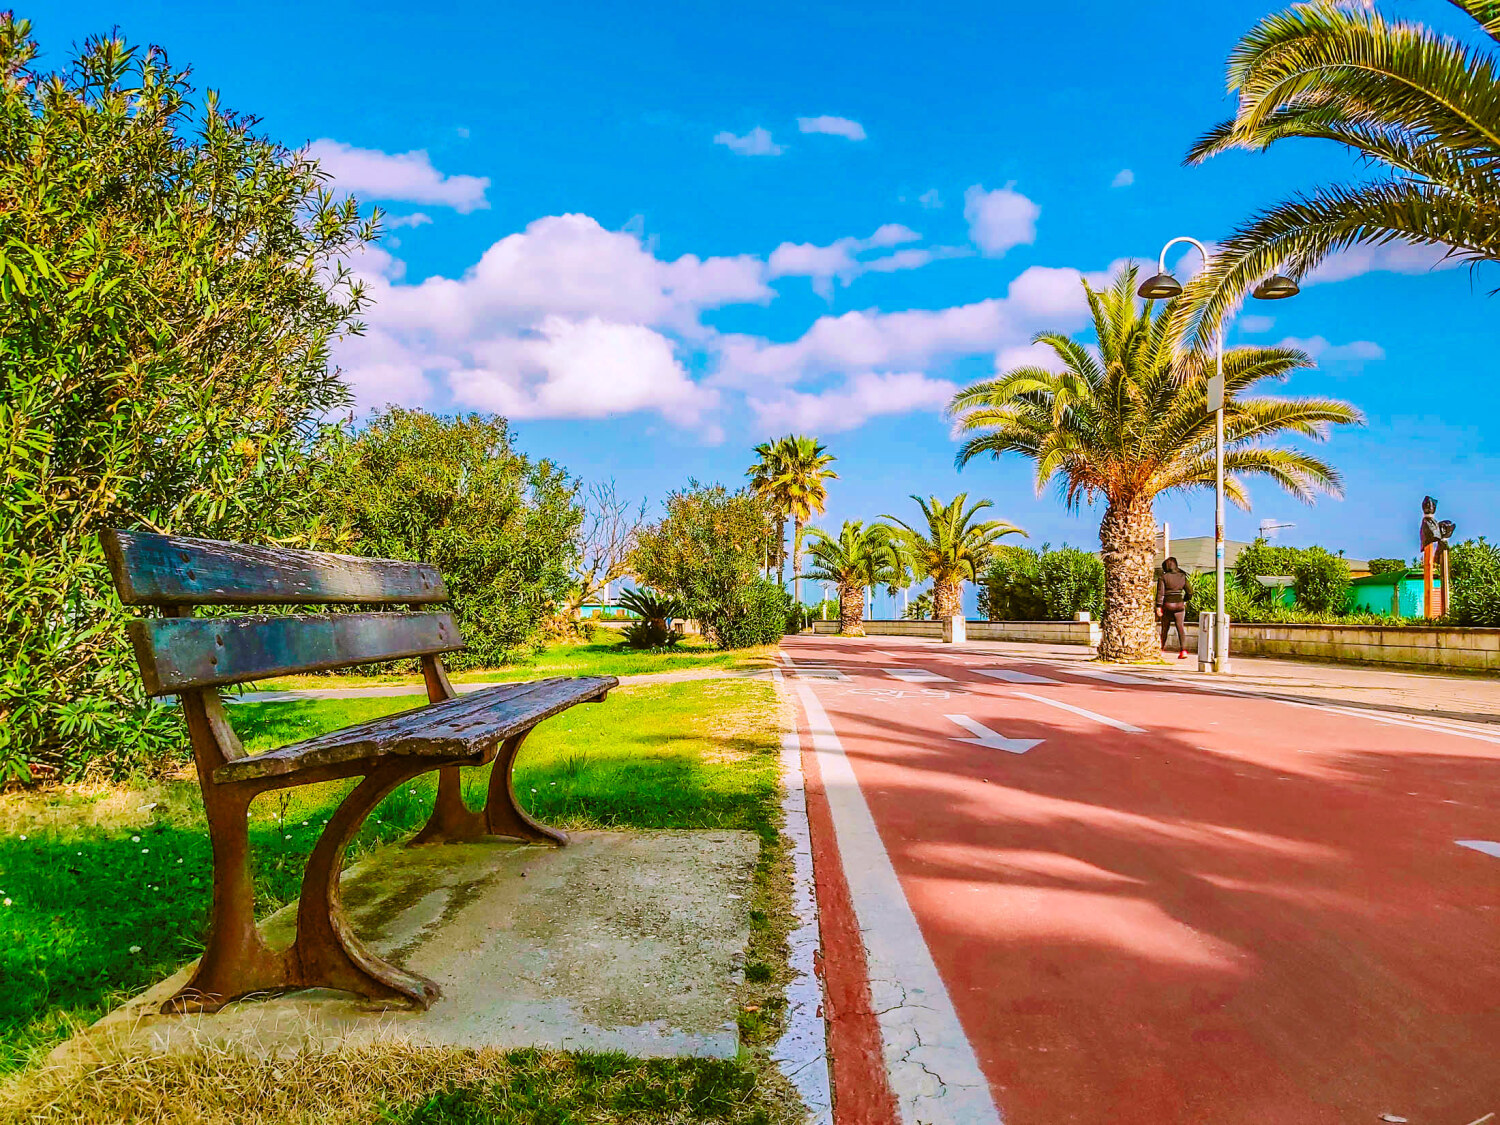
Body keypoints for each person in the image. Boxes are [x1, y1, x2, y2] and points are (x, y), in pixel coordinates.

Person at [1156, 557, 1190, 658]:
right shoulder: (1182, 576)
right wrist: (1185, 599)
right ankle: (1183, 651)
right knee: (1180, 628)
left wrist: (1158, 606)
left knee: (1165, 628)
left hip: (1167, 605)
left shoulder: (1163, 577)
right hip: (1179, 604)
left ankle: (1161, 650)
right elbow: (1190, 591)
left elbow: (1160, 593)